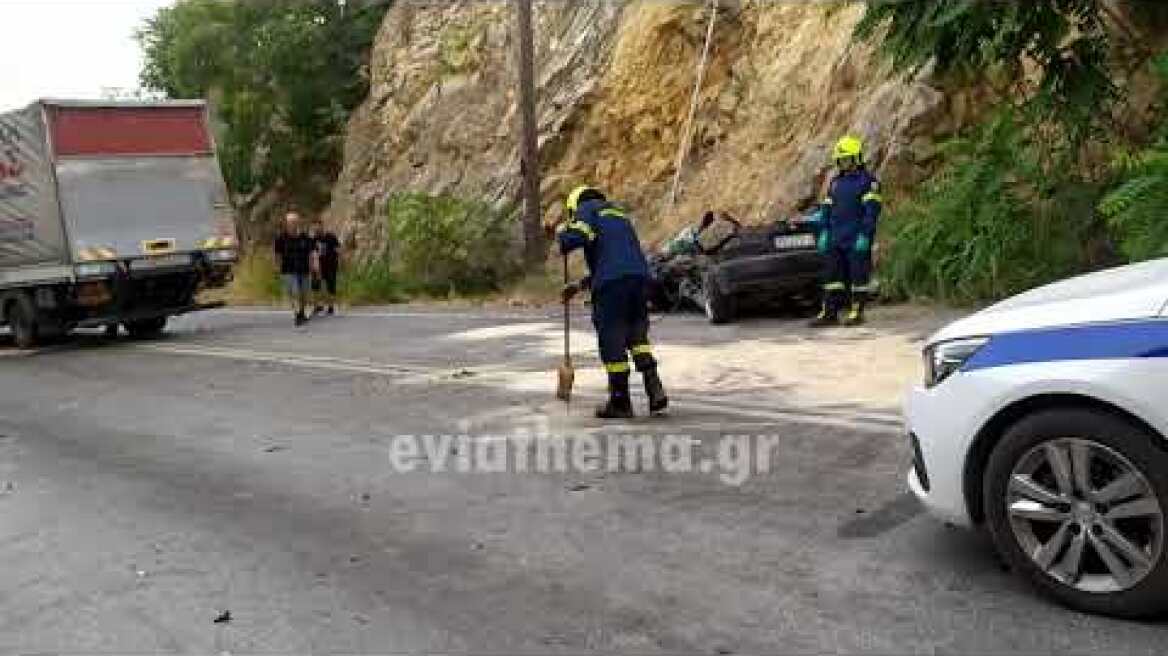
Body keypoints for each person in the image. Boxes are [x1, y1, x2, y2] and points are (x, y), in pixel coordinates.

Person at [551, 186, 669, 419]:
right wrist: (578, 286)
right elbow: (616, 260)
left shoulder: (587, 209)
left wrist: (562, 235)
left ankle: (620, 401)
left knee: (612, 340)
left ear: (574, 207)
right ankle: (654, 387)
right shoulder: (618, 214)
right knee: (637, 337)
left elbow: (578, 236)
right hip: (639, 280)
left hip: (612, 287)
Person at [809, 135, 883, 327]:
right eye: (840, 160)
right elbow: (826, 208)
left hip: (856, 237)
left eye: (847, 159)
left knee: (858, 276)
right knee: (831, 277)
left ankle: (856, 312)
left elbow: (871, 212)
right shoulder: (835, 182)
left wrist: (865, 235)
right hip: (835, 237)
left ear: (857, 158)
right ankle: (829, 313)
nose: (843, 163)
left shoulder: (868, 182)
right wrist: (824, 231)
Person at [274, 211, 316, 326]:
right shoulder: (281, 238)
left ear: (299, 223)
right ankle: (297, 315)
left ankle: (301, 313)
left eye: (295, 222)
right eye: (291, 222)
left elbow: (312, 252)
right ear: (287, 224)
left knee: (304, 293)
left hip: (304, 269)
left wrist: (314, 266)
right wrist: (277, 268)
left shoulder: (305, 237)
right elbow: (277, 255)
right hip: (288, 270)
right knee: (295, 292)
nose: (293, 224)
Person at [311, 222, 341, 316]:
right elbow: (311, 252)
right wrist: (312, 265)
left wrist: (340, 260)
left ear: (322, 227)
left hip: (330, 265)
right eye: (315, 228)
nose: (317, 229)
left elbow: (338, 249)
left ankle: (331, 307)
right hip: (317, 265)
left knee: (331, 286)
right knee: (315, 286)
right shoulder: (313, 239)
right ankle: (317, 306)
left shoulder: (331, 237)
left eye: (318, 227)